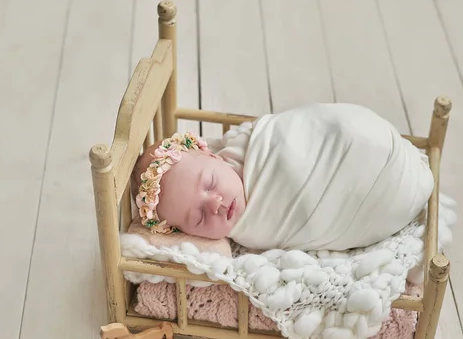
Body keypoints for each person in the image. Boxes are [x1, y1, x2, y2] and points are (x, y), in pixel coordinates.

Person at [132, 103, 434, 252]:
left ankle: (391, 161)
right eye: (198, 218)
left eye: (210, 184)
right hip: (366, 200)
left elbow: (294, 131)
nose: (216, 204)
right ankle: (393, 188)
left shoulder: (244, 145)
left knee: (348, 131)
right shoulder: (250, 232)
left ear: (212, 155)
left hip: (352, 145)